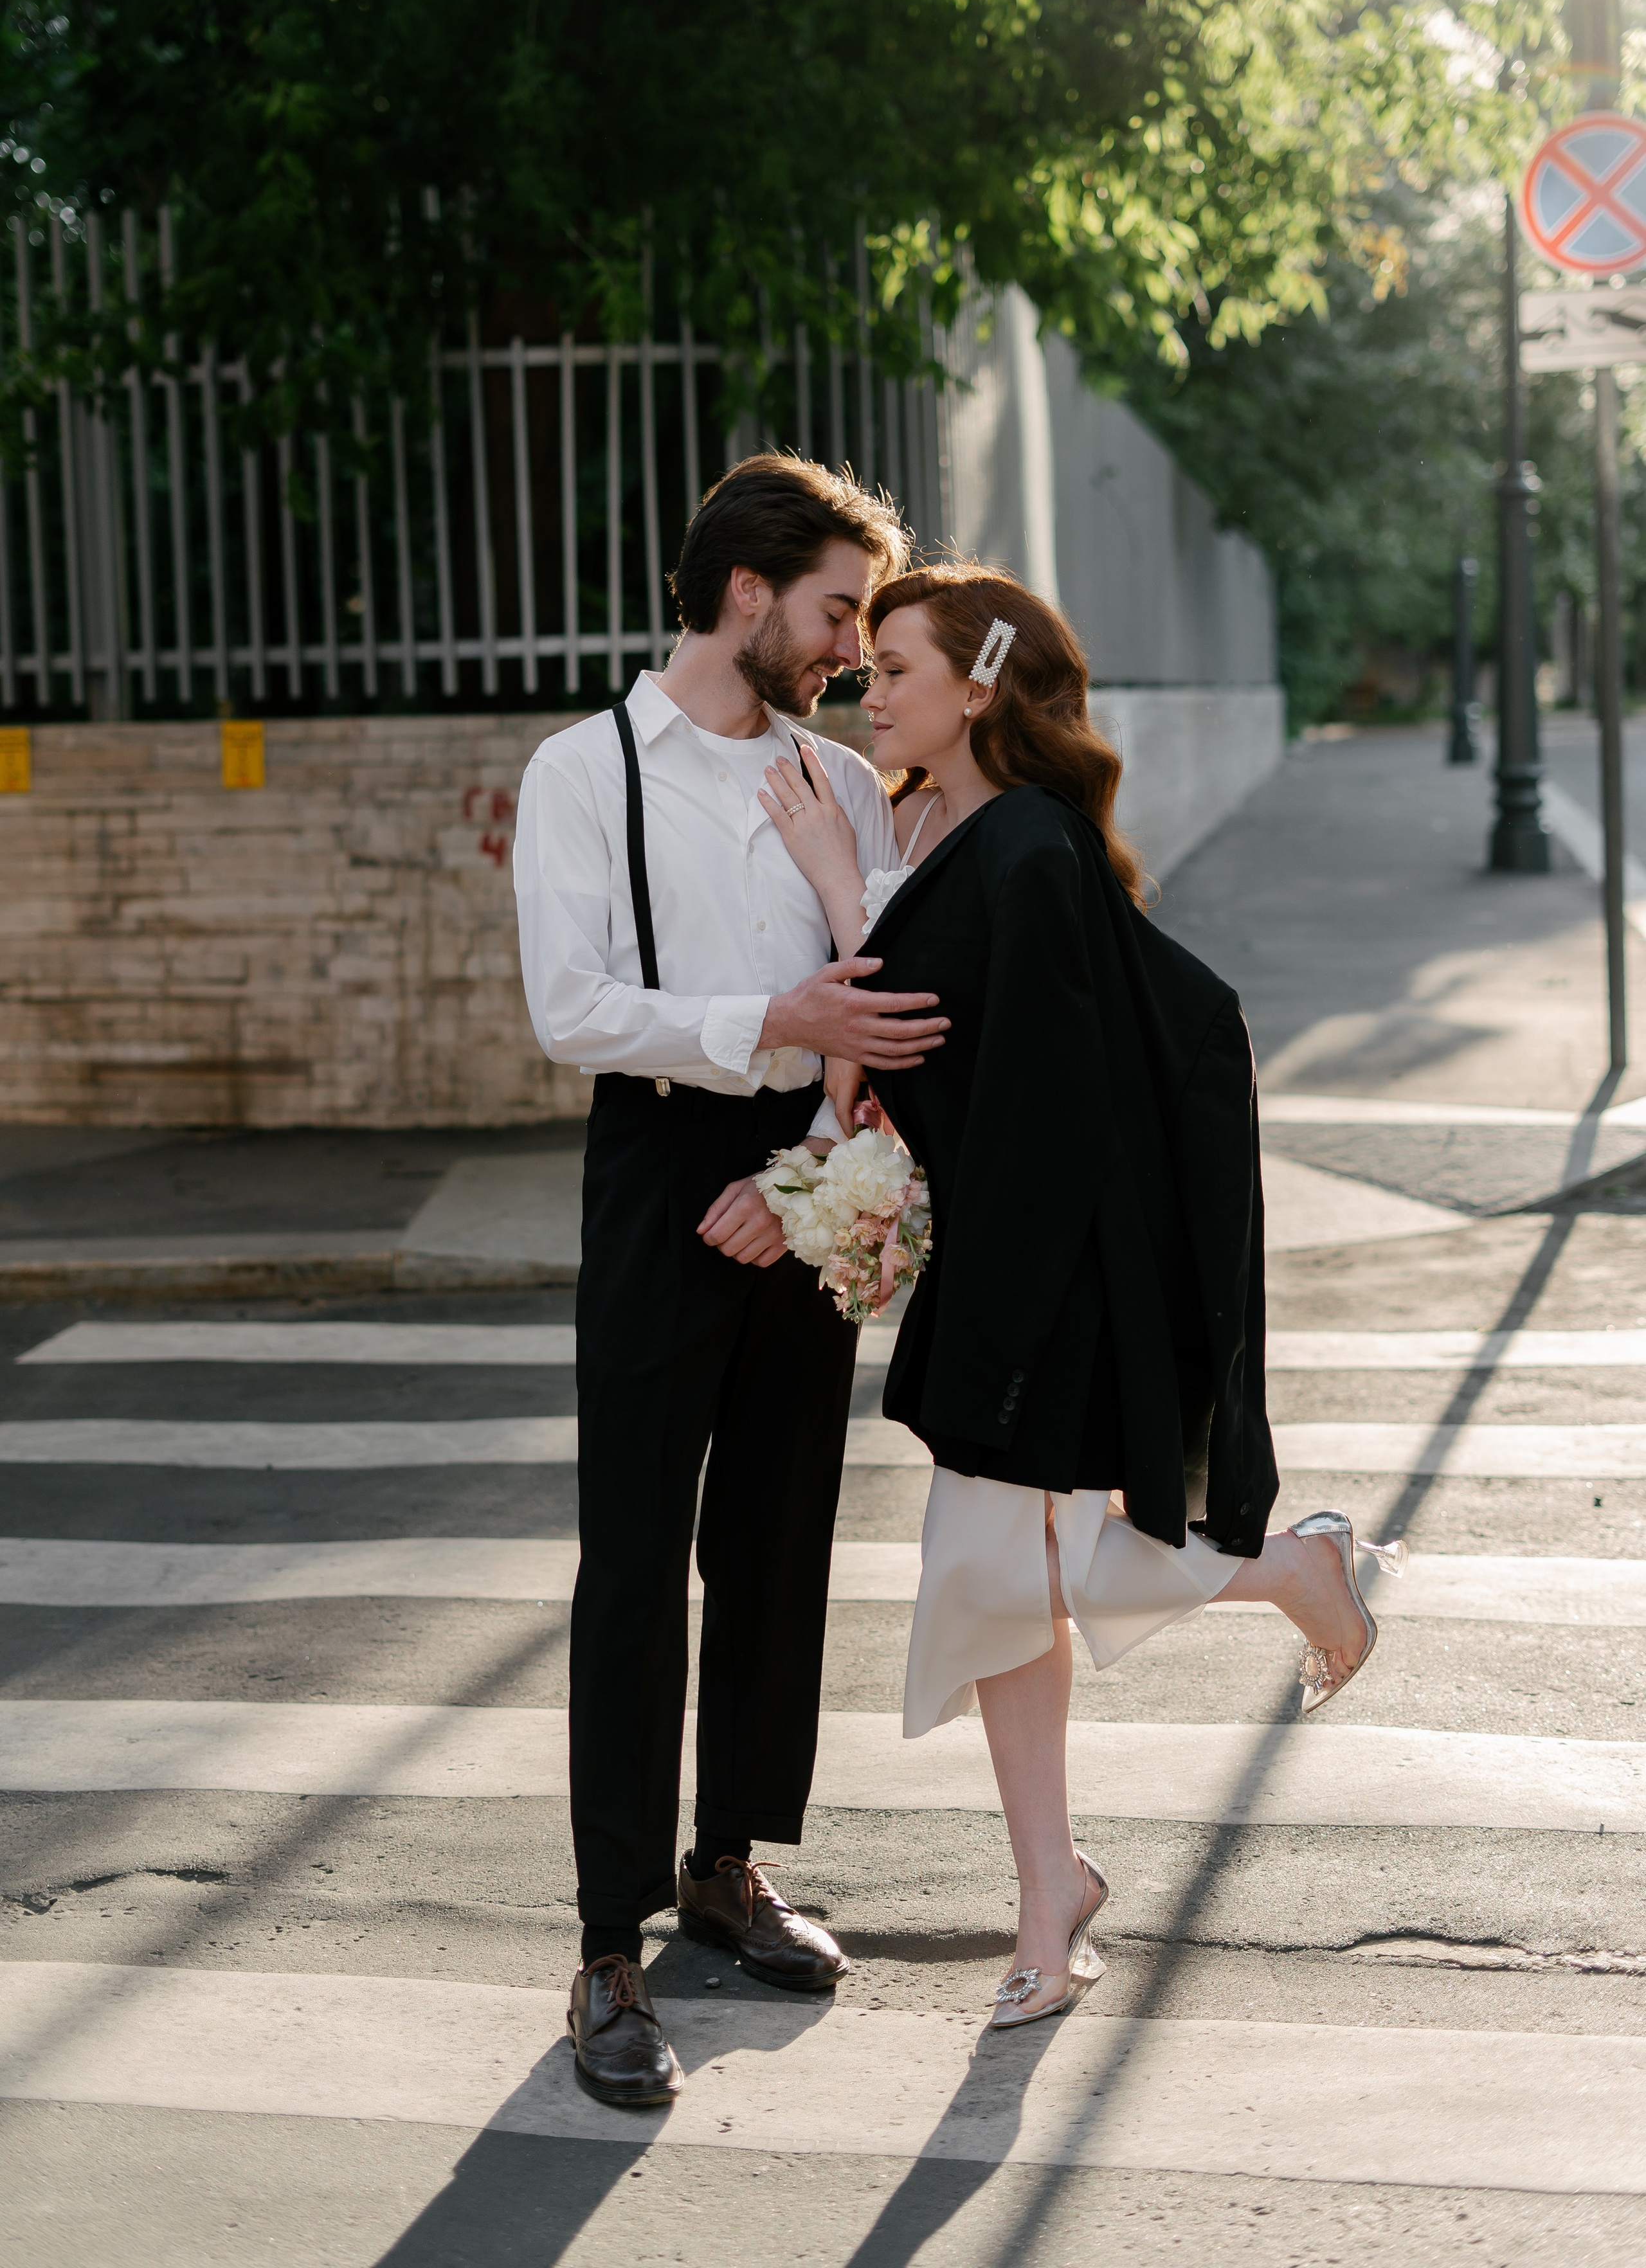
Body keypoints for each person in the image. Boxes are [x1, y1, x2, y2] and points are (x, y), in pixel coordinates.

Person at [757, 561, 1406, 2030]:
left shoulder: (1027, 848)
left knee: (995, 1586)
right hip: (1010, 1270)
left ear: (977, 688)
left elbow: (1006, 1081)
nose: (874, 688)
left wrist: (836, 887)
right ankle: (1049, 1889)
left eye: (898, 666)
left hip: (1033, 1286)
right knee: (997, 1597)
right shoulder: (972, 830)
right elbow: (924, 1047)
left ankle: (1290, 1572)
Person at [513, 455, 951, 2107]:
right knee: (633, 1557)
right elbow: (575, 1007)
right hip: (652, 1172)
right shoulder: (582, 770)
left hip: (803, 1169)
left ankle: (728, 1864)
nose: (852, 644)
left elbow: (893, 996)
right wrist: (771, 1024)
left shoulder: (842, 785)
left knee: (773, 1538)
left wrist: (800, 1167)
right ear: (747, 592)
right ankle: (608, 1944)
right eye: (838, 609)